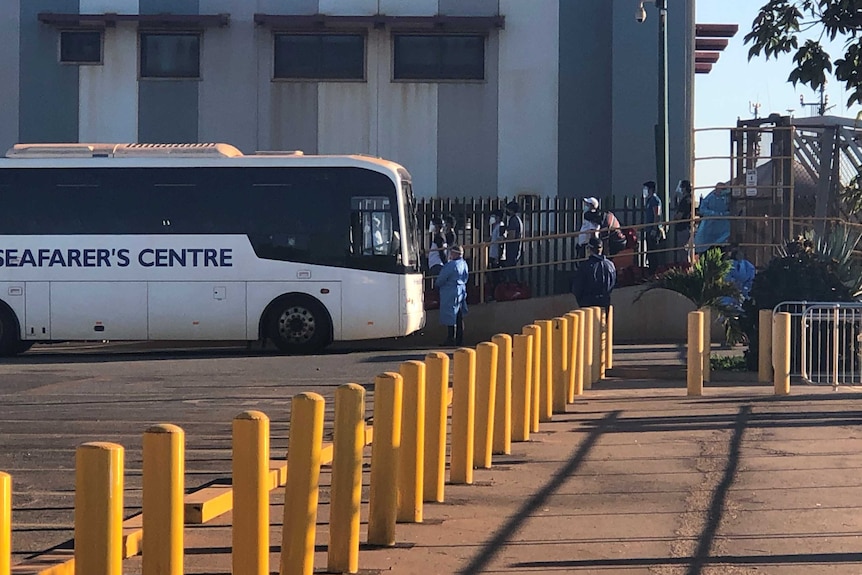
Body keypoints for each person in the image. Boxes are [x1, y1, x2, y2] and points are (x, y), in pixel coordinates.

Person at [436, 244, 469, 346]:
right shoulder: (464, 264)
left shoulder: (451, 265)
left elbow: (441, 279)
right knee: (459, 315)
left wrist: (436, 285)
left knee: (450, 316)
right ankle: (460, 338)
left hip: (450, 292)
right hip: (461, 290)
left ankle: (451, 338)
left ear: (454, 253)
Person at [571, 236, 616, 310]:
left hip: (588, 304)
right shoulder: (610, 265)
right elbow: (613, 283)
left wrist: (581, 301)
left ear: (589, 249)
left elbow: (577, 288)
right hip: (605, 302)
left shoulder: (585, 266)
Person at [642, 180, 664, 274]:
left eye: (646, 189)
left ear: (651, 189)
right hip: (649, 229)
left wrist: (655, 229)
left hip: (653, 230)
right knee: (650, 251)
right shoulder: (649, 200)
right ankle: (651, 270)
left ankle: (654, 271)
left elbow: (657, 215)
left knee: (653, 252)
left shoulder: (655, 200)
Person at [500, 201, 523, 283]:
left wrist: (503, 239)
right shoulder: (518, 220)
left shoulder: (513, 220)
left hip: (512, 249)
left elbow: (512, 236)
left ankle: (513, 286)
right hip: (515, 249)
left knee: (510, 270)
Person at [673, 179, 693, 262]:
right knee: (685, 250)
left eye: (682, 187)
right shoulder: (690, 199)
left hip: (682, 227)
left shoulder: (685, 201)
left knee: (683, 250)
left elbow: (679, 216)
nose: (681, 189)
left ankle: (686, 268)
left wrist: (674, 217)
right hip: (687, 227)